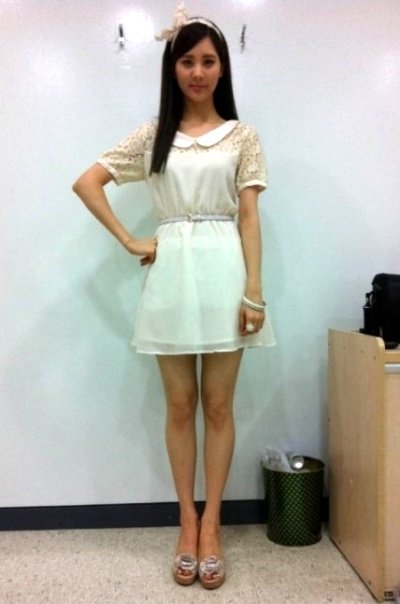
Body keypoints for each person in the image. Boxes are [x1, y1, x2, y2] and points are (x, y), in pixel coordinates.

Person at [72, 2, 275, 590]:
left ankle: (213, 525)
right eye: (187, 61)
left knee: (219, 407)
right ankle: (186, 520)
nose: (198, 72)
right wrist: (130, 240)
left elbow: (248, 217)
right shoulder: (153, 135)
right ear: (173, 68)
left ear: (222, 67)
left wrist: (254, 292)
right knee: (181, 406)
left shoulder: (242, 136)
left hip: (226, 272)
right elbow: (88, 182)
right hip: (169, 277)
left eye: (208, 61)